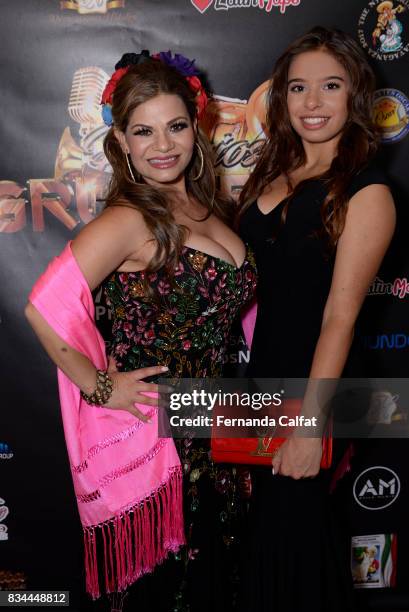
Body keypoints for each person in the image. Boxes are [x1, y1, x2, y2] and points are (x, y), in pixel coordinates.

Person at [25, 51, 256, 611]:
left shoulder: (205, 203)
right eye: (143, 131)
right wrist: (102, 386)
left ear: (196, 129)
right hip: (163, 442)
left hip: (224, 426)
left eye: (176, 126)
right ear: (122, 142)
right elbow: (42, 307)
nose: (163, 145)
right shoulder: (129, 218)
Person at [237, 27, 395, 612]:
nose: (312, 103)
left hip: (314, 391)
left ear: (353, 93)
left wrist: (308, 426)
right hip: (257, 384)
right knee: (264, 544)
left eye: (329, 86)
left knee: (295, 541)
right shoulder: (271, 174)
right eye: (298, 88)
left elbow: (340, 315)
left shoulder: (367, 190)